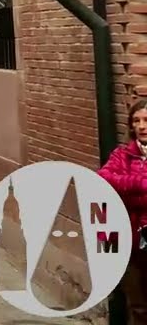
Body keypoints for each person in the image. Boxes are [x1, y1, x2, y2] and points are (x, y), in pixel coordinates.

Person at [97, 98, 147, 324]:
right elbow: (104, 178)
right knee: (138, 305)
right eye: (136, 121)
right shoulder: (122, 155)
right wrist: (141, 183)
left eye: (146, 120)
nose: (142, 126)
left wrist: (128, 191)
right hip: (132, 241)